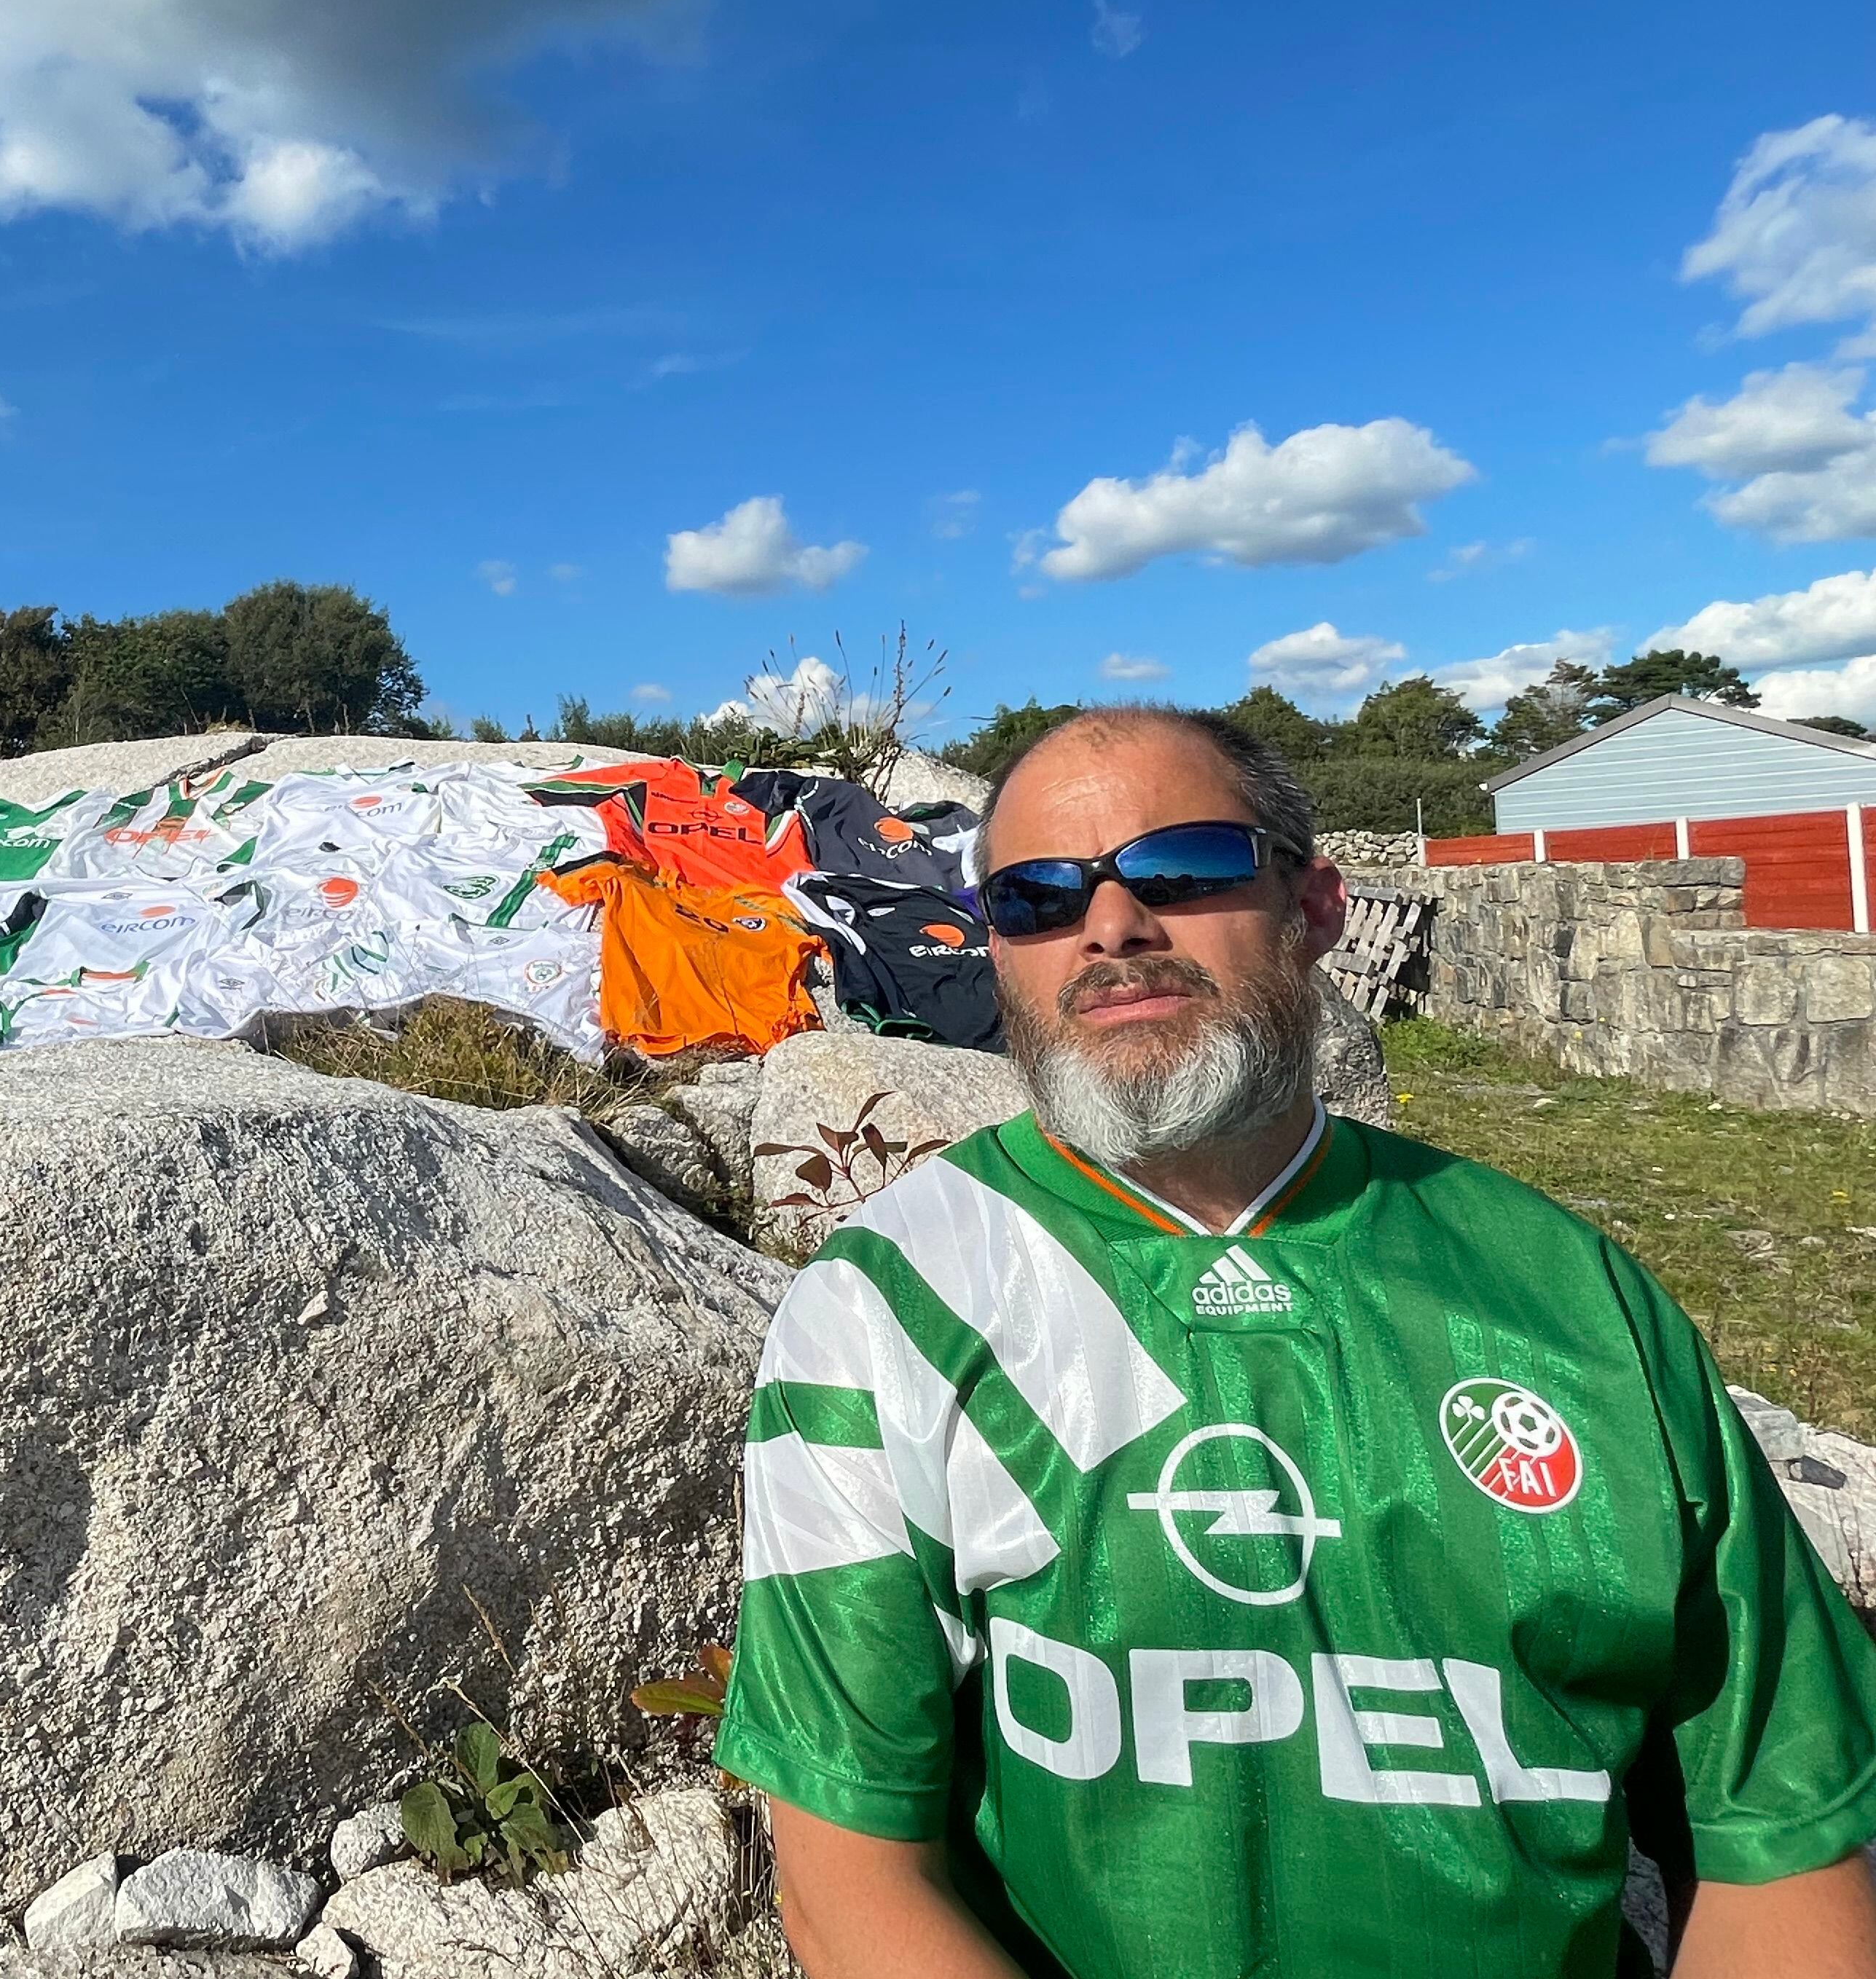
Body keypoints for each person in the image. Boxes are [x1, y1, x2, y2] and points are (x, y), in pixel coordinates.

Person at [713, 706, 1876, 1978]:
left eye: (1185, 868)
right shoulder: (890, 1307)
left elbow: (1778, 1845)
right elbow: (850, 1884)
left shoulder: (1577, 1297)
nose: (1109, 926)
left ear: (1316, 907)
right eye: (1036, 897)